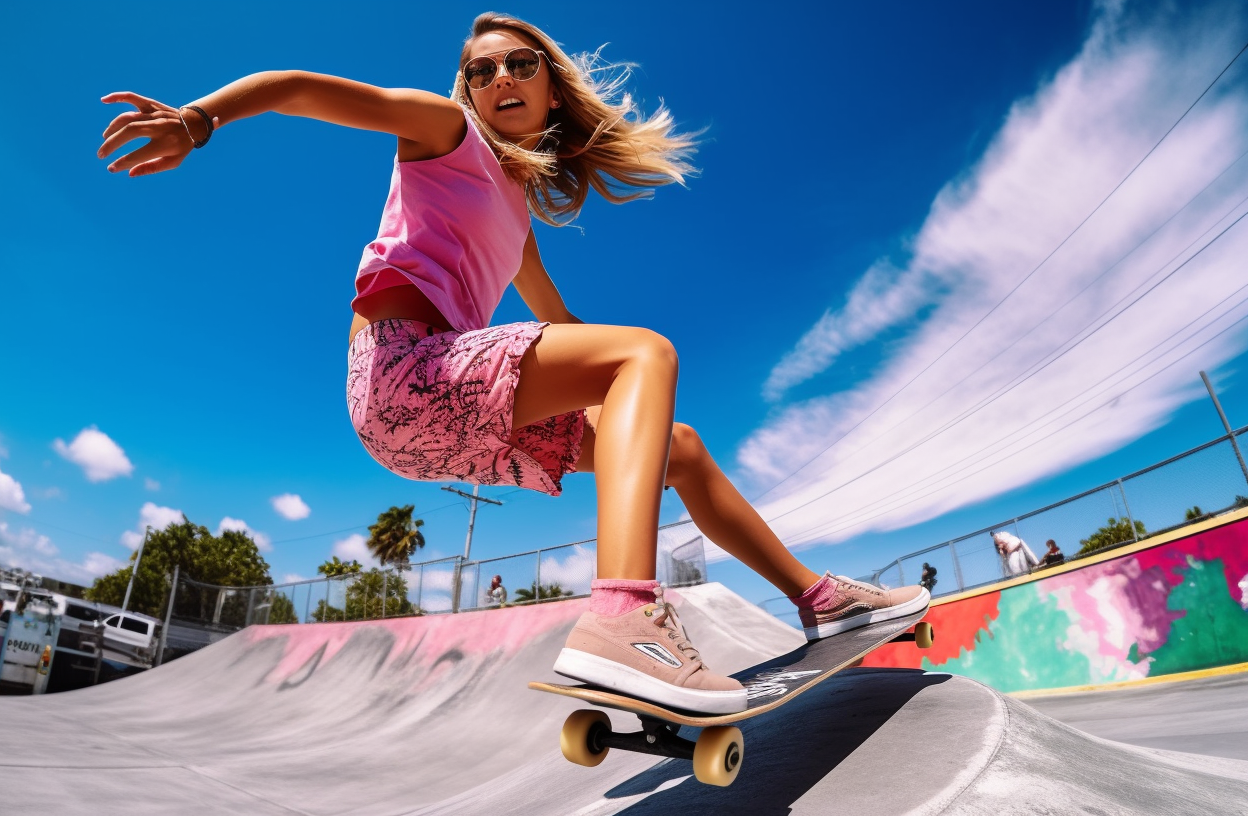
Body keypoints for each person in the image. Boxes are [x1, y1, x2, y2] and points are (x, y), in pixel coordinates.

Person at [96, 12, 928, 715]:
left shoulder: (519, 213)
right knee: (646, 350)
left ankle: (818, 600)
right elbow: (299, 87)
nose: (499, 78)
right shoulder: (443, 131)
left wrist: (620, 419)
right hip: (404, 374)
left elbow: (560, 326)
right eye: (480, 69)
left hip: (447, 412)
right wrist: (197, 120)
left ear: (550, 85)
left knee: (678, 446)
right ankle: (626, 615)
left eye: (518, 64)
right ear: (467, 89)